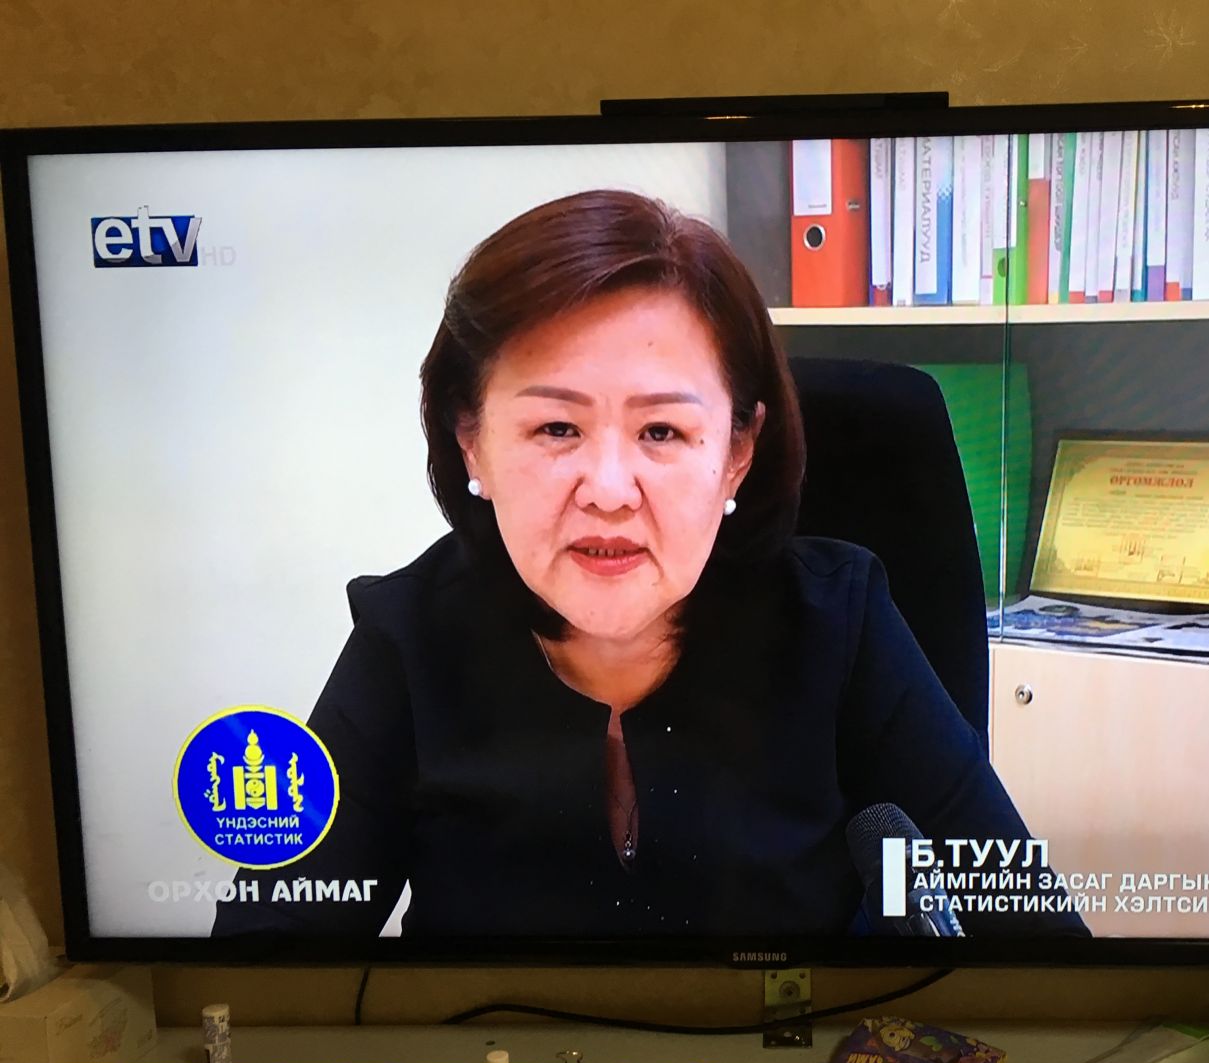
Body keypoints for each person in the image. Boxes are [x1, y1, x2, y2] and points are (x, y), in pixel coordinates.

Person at [212, 189, 1087, 942]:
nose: (608, 490)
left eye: (662, 431)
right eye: (556, 428)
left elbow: (1038, 940)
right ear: (471, 442)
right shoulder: (406, 638)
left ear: (736, 452)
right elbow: (260, 974)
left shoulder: (838, 620)